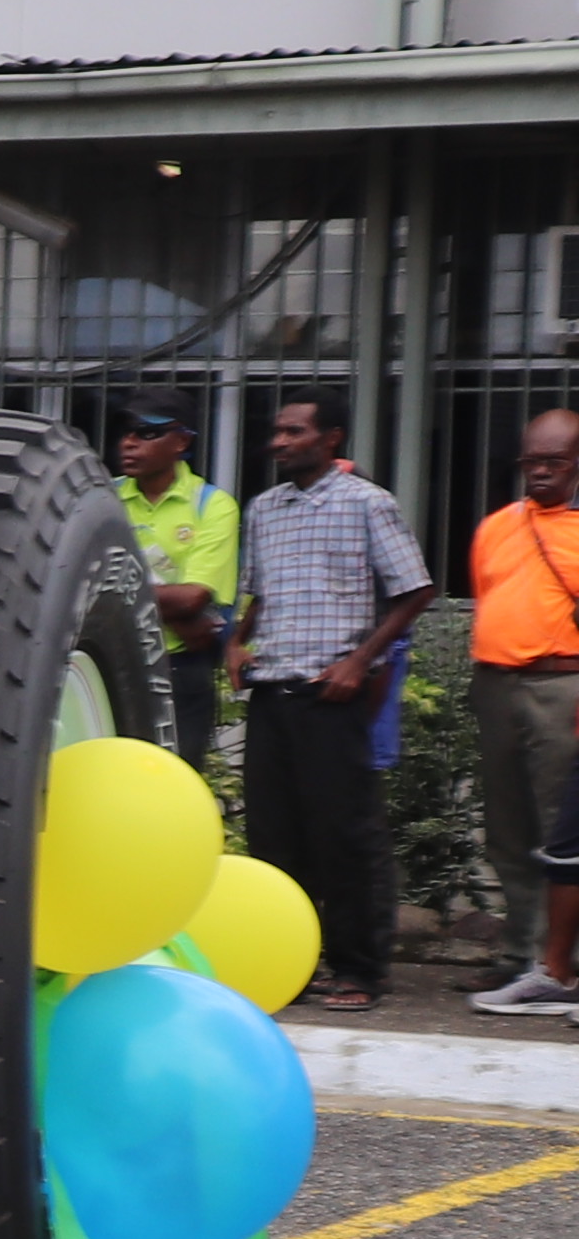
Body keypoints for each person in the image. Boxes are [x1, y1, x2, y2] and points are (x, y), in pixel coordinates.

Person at [236, 388, 431, 1011]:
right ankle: (290, 964)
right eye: (277, 431)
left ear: (331, 438)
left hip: (332, 694)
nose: (279, 441)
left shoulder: (368, 503)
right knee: (273, 840)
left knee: (344, 838)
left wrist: (358, 660)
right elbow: (257, 593)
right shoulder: (264, 509)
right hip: (271, 695)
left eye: (294, 431)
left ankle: (359, 971)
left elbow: (415, 590)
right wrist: (236, 643)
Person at [469, 409, 579, 1013]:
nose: (539, 472)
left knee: (560, 829)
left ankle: (556, 961)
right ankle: (518, 956)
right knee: (507, 829)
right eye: (531, 461)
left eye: (553, 462)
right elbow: (487, 596)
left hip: (562, 686)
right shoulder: (496, 526)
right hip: (497, 685)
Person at [115, 404, 244, 768]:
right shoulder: (102, 498)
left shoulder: (212, 505)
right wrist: (176, 612)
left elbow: (193, 598)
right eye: (126, 432)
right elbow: (78, 584)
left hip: (179, 668)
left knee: (174, 777)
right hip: (110, 661)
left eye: (147, 433)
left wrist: (116, 591)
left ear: (181, 442)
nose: (129, 443)